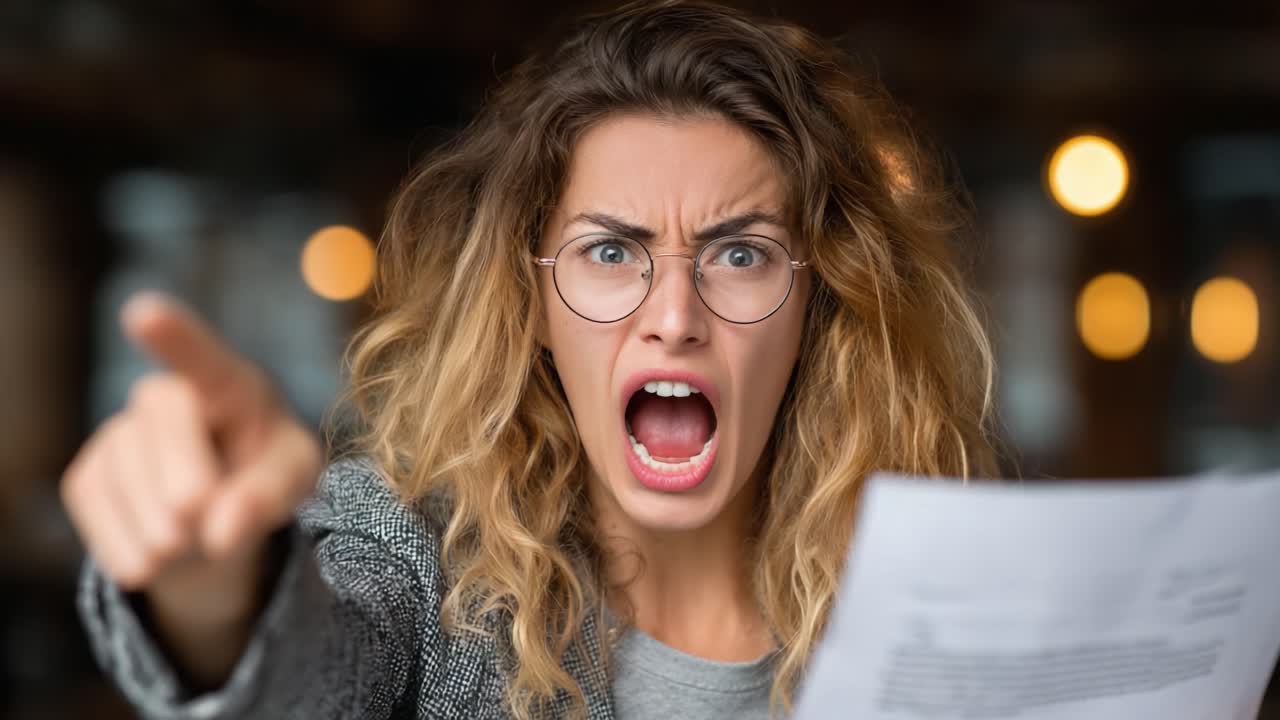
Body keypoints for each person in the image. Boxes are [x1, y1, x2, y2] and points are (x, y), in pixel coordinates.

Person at [62, 1, 998, 718]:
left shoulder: (940, 609)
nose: (674, 317)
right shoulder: (418, 556)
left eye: (741, 254)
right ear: (537, 303)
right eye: (610, 251)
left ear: (815, 306)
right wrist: (221, 600)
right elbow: (319, 670)